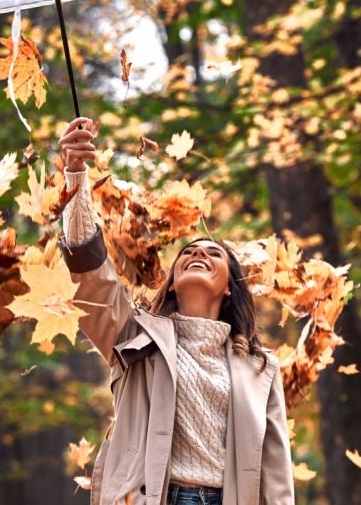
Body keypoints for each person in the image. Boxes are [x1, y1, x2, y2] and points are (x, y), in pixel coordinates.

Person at [58, 117, 295, 505]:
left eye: (212, 253)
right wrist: (75, 176)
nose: (198, 252)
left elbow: (275, 472)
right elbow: (91, 277)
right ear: (171, 282)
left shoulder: (259, 367)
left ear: (229, 289)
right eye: (188, 252)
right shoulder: (136, 337)